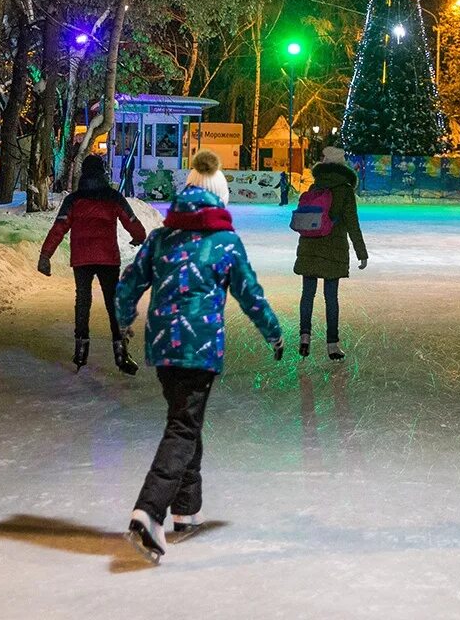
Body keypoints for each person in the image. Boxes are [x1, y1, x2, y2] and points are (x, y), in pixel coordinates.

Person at [116, 149, 283, 564]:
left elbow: (129, 283)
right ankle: (149, 512)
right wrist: (274, 334)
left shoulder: (160, 238)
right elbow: (250, 295)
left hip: (163, 348)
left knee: (185, 422)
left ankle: (186, 511)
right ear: (220, 199)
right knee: (183, 427)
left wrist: (123, 320)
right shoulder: (224, 242)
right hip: (200, 348)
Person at [37, 154, 145, 374]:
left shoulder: (73, 200)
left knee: (83, 301)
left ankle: (81, 350)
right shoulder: (112, 197)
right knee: (112, 304)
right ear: (103, 173)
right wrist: (139, 236)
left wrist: (45, 255)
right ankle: (121, 353)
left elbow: (59, 228)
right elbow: (130, 220)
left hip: (82, 259)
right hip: (108, 259)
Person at [293, 145, 368, 360]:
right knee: (330, 297)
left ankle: (304, 338)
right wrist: (361, 252)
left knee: (307, 295)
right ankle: (332, 345)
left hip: (309, 246)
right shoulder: (344, 190)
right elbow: (352, 224)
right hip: (333, 249)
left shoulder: (315, 186)